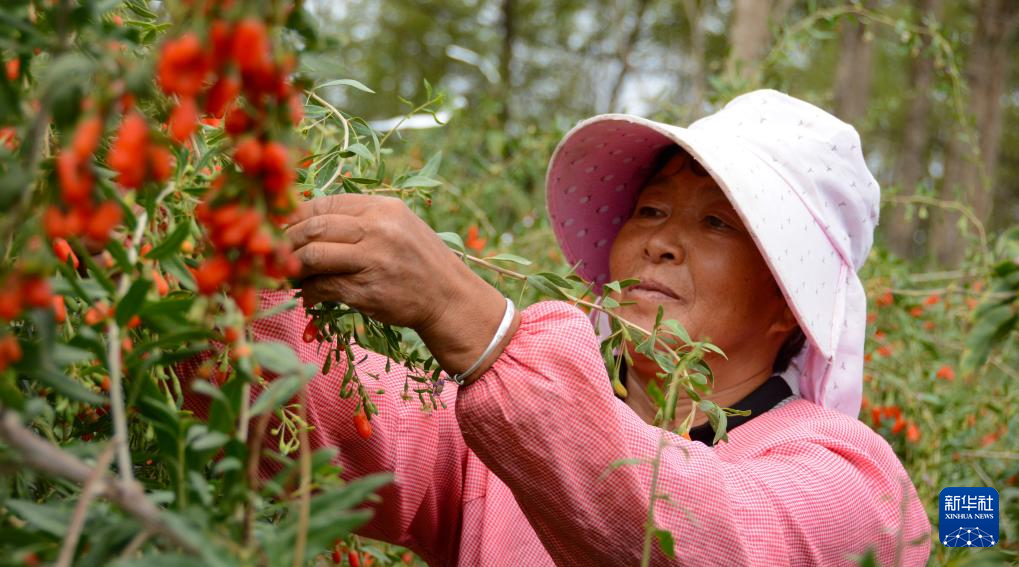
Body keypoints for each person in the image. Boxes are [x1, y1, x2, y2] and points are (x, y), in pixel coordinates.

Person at [183, 89, 931, 565]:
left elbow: (696, 534)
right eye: (649, 209)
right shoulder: (495, 433)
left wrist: (469, 319)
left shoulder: (856, 485)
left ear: (785, 303)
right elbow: (312, 418)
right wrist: (199, 272)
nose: (659, 241)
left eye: (714, 221)